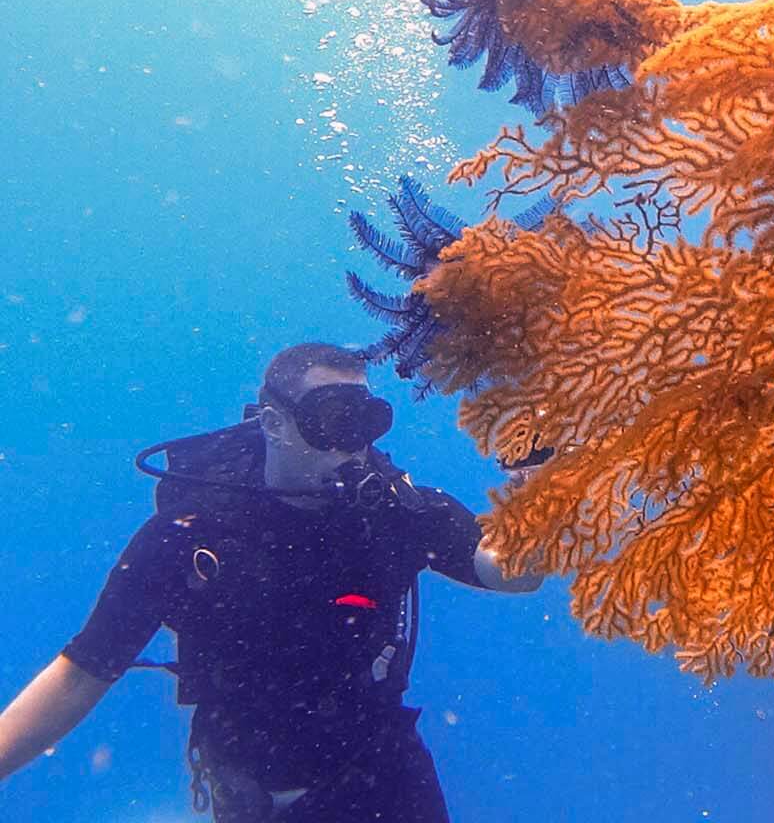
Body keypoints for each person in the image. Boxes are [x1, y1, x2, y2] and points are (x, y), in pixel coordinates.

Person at [0, 343, 542, 821]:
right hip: (256, 799)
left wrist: (544, 482)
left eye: (366, 421)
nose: (351, 444)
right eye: (333, 419)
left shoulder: (395, 513)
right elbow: (84, 670)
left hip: (385, 780)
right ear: (274, 423)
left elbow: (514, 573)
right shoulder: (193, 536)